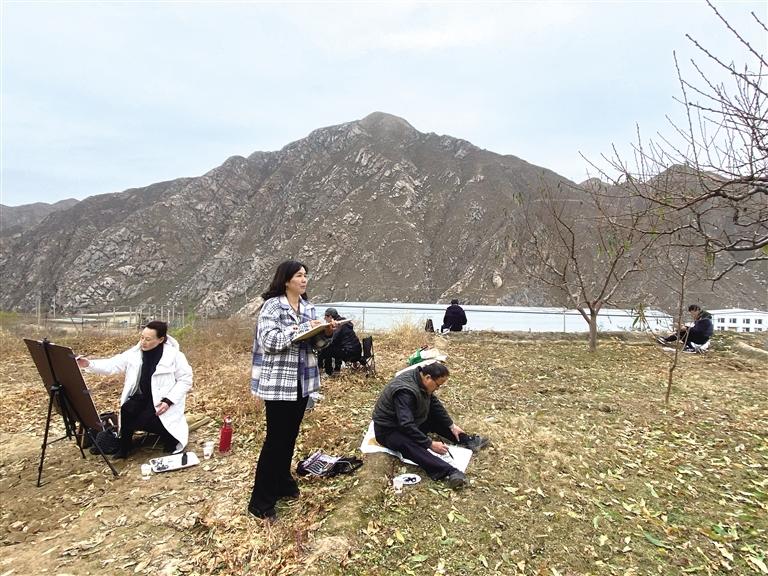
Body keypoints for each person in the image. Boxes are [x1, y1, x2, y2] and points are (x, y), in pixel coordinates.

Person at [248, 260, 336, 522]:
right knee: (275, 439)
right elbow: (270, 340)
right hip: (279, 382)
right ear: (286, 280)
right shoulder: (272, 306)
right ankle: (260, 502)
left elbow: (316, 345)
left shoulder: (308, 307)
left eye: (305, 275)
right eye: (299, 275)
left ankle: (283, 482)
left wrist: (325, 333)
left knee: (290, 435)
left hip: (302, 380)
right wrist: (301, 329)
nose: (304, 279)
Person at [76, 320, 193, 459]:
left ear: (161, 339)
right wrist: (89, 364)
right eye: (142, 337)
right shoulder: (135, 353)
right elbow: (113, 364)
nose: (143, 342)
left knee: (163, 428)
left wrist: (168, 401)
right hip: (142, 397)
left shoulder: (175, 356)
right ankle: (125, 447)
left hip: (163, 401)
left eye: (148, 339)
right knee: (127, 409)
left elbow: (185, 380)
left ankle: (168, 436)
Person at [371, 362, 489, 489]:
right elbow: (406, 425)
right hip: (388, 430)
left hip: (408, 420)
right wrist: (430, 444)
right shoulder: (405, 391)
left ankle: (467, 440)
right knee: (410, 445)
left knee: (433, 418)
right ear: (428, 377)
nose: (437, 389)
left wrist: (451, 425)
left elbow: (433, 403)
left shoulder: (420, 379)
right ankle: (450, 472)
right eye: (438, 385)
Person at [317, 307, 362, 376]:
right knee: (336, 347)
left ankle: (327, 372)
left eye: (325, 317)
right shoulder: (345, 322)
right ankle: (336, 370)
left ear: (330, 317)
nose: (324, 319)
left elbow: (332, 340)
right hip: (357, 352)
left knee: (325, 349)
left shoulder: (338, 325)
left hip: (349, 353)